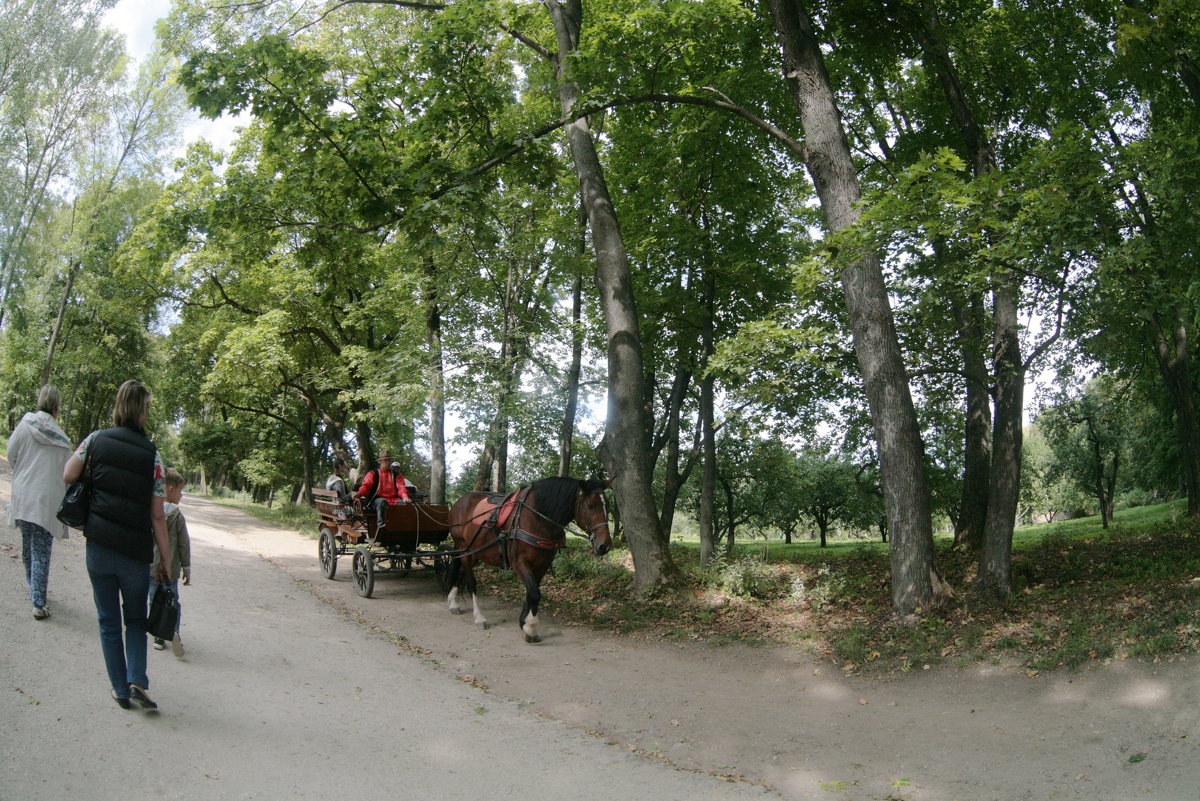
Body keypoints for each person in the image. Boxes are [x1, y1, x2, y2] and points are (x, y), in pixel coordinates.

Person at [63, 379, 171, 712]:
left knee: (108, 621)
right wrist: (166, 559)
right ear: (141, 410)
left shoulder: (95, 440)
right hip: (134, 553)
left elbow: (68, 474)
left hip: (98, 546)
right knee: (135, 620)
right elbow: (157, 515)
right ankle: (136, 677)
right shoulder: (153, 456)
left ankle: (120, 690)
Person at [5, 385, 74, 620]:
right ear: (57, 408)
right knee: (41, 550)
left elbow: (11, 454)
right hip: (46, 502)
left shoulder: (25, 425)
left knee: (28, 546)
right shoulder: (63, 441)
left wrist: (23, 474)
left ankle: (34, 588)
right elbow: (66, 475)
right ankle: (38, 602)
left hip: (24, 495)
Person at [150, 468, 191, 657]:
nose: (181, 496)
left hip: (150, 566)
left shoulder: (152, 511)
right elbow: (183, 544)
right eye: (180, 491)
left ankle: (158, 636)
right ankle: (173, 632)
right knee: (172, 601)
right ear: (171, 489)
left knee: (154, 600)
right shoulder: (177, 516)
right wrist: (186, 568)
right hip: (171, 569)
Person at [354, 450, 411, 533]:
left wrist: (405, 496)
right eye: (385, 460)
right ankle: (381, 526)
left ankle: (402, 526)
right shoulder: (373, 474)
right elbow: (365, 486)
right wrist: (359, 493)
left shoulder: (397, 475)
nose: (387, 462)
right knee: (382, 502)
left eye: (389, 460)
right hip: (376, 501)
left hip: (392, 500)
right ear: (380, 461)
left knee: (405, 504)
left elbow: (401, 487)